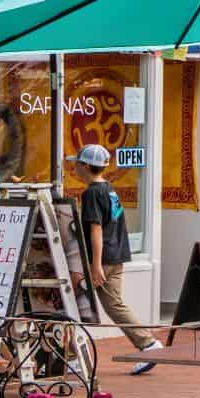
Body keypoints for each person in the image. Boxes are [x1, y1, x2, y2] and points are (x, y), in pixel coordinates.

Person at [73, 145, 166, 373]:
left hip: (102, 259)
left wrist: (95, 265)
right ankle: (72, 355)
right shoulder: (109, 189)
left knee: (82, 303)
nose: (73, 167)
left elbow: (96, 229)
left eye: (76, 163)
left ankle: (148, 343)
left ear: (85, 166)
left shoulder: (92, 193)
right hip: (116, 254)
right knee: (89, 303)